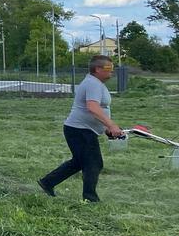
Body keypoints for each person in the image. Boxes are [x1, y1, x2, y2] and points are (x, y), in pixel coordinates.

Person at [38, 55, 123, 203]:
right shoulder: (93, 84)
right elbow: (93, 107)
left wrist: (106, 129)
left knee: (79, 162)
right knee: (94, 163)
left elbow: (99, 109)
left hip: (81, 129)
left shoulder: (95, 83)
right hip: (79, 130)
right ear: (97, 69)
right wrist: (111, 125)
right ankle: (90, 198)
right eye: (109, 69)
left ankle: (47, 182)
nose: (112, 72)